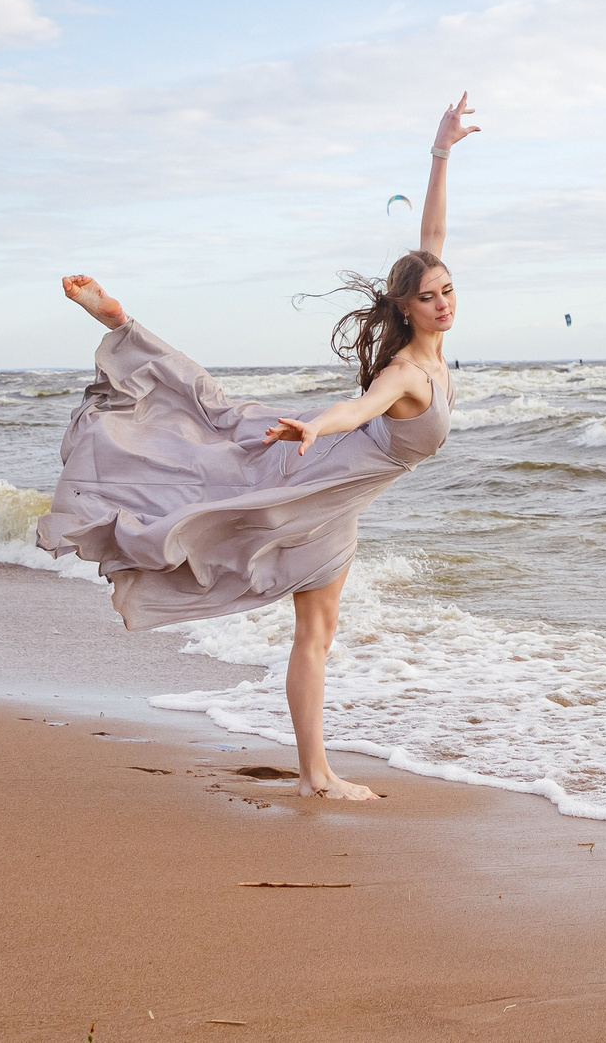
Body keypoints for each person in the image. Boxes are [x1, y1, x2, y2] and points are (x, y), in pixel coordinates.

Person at [39, 94, 481, 801]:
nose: (445, 302)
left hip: (341, 496)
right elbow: (359, 407)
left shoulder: (428, 344)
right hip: (323, 470)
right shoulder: (405, 371)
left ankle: (316, 771)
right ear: (407, 306)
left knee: (318, 629)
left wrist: (442, 148)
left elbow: (432, 231)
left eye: (449, 291)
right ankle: (316, 774)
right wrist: (316, 427)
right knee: (211, 438)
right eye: (431, 296)